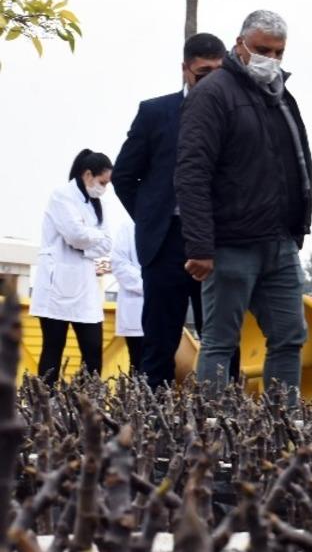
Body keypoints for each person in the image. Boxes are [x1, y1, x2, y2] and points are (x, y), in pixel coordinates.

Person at [176, 10, 312, 399]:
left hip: (280, 243)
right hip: (230, 244)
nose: (271, 58)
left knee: (290, 337)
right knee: (220, 341)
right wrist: (200, 246)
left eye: (278, 51)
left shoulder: (280, 96)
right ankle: (210, 430)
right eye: (262, 49)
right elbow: (192, 173)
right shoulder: (213, 94)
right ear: (239, 45)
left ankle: (282, 427)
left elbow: (294, 163)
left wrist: (296, 227)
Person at [113, 32, 228, 387]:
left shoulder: (234, 113)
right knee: (159, 344)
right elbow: (124, 176)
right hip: (165, 243)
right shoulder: (155, 113)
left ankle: (224, 426)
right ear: (185, 70)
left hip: (219, 241)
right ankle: (152, 429)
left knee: (223, 343)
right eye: (202, 72)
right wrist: (151, 220)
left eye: (218, 72)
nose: (210, 80)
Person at [30, 150, 114, 383]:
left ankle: (85, 405)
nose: (104, 188)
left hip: (84, 286)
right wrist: (88, 242)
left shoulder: (99, 205)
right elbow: (74, 235)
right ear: (88, 174)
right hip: (56, 286)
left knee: (93, 351)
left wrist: (85, 244)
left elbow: (106, 243)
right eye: (102, 182)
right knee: (53, 350)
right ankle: (47, 407)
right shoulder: (61, 195)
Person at [110, 219, 145, 372]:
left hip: (164, 308)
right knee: (137, 361)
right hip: (136, 306)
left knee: (163, 360)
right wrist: (152, 286)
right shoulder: (128, 226)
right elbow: (119, 265)